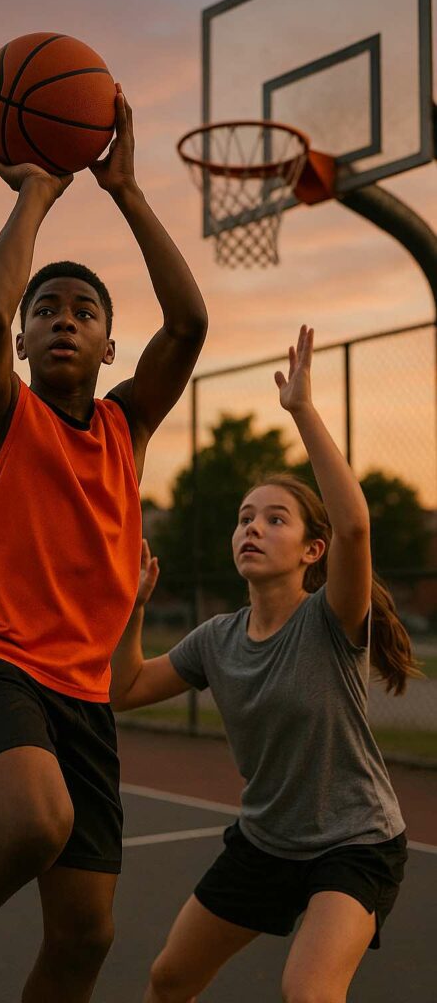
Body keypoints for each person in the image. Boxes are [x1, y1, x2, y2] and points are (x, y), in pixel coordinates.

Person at [0, 85, 208, 1003]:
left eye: (83, 309)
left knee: (85, 938)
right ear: (29, 338)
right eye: (49, 309)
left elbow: (190, 324)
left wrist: (125, 189)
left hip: (81, 694)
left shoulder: (126, 427)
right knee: (34, 821)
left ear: (110, 343)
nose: (63, 317)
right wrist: (33, 193)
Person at [110, 326, 416, 1003]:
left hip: (354, 843)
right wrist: (131, 610)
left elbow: (355, 527)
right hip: (265, 843)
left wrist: (302, 411)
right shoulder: (215, 639)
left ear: (312, 550)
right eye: (244, 517)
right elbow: (123, 689)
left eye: (273, 519)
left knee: (307, 992)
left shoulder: (330, 618)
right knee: (167, 979)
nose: (251, 527)